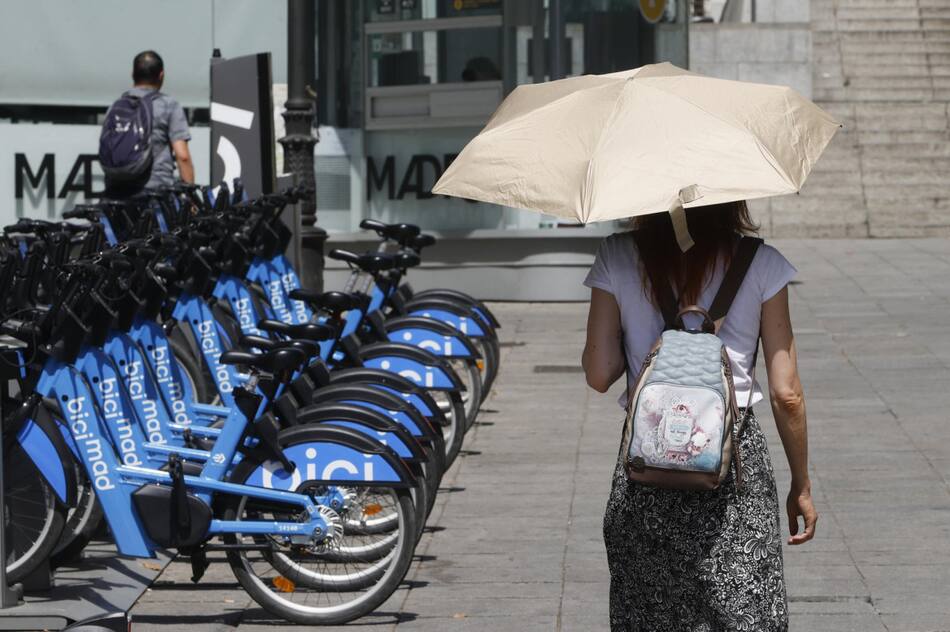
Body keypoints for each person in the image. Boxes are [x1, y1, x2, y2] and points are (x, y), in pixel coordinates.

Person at [581, 202, 816, 632]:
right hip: (734, 464)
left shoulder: (617, 255)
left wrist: (645, 350)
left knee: (649, 612)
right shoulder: (761, 262)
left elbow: (599, 374)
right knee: (743, 608)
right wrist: (800, 482)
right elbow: (787, 394)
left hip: (646, 465)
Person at [103, 50, 193, 198]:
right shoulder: (168, 105)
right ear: (161, 75)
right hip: (155, 192)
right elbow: (182, 156)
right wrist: (190, 197)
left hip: (116, 191)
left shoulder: (116, 105)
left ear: (133, 74)